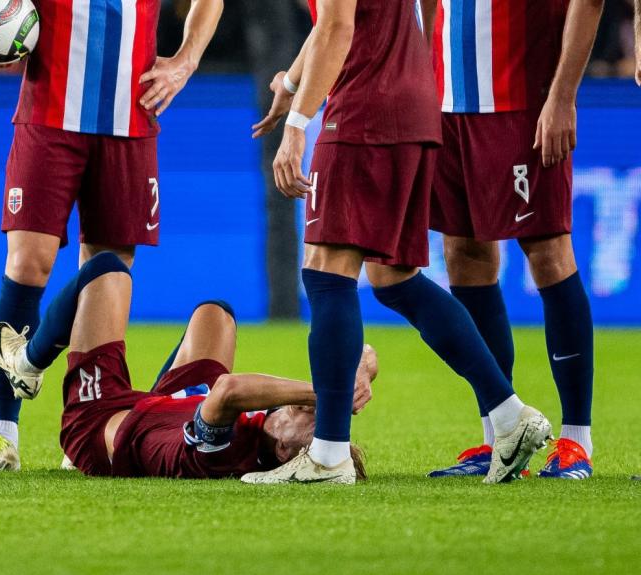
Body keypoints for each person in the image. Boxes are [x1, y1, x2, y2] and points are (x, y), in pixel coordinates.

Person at [245, 0, 551, 485]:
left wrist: (297, 126)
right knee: (395, 278)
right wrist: (289, 84)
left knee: (325, 271)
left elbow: (339, 27)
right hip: (413, 109)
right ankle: (509, 415)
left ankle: (327, 456)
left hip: (364, 110)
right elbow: (340, 23)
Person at [0, 0, 225, 473]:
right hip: (49, 109)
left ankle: (85, 429)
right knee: (28, 263)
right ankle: (1, 434)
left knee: (107, 279)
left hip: (131, 118)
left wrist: (187, 58)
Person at [0, 252, 377, 479]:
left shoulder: (230, 450)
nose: (320, 413)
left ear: (285, 454)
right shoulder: (263, 424)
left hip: (99, 426)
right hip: (164, 410)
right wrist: (360, 370)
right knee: (217, 313)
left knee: (105, 271)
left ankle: (27, 362)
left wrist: (332, 391)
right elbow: (365, 352)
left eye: (318, 427)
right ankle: (161, 399)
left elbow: (228, 390)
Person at [423, 0, 603, 480]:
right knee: (464, 256)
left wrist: (563, 96)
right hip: (447, 104)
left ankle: (576, 442)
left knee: (547, 252)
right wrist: (423, 74)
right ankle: (498, 436)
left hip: (524, 101)